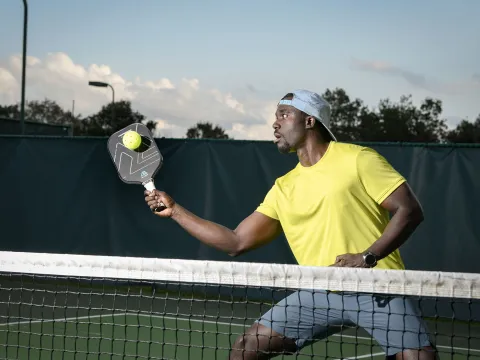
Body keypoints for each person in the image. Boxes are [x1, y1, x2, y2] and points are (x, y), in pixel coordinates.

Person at [144, 89, 437, 360]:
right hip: (321, 291)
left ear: (310, 121)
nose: (275, 123)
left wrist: (367, 257)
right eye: (275, 116)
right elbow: (236, 242)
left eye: (284, 114)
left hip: (377, 287)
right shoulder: (284, 187)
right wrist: (176, 210)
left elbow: (409, 211)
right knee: (246, 348)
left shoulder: (358, 159)